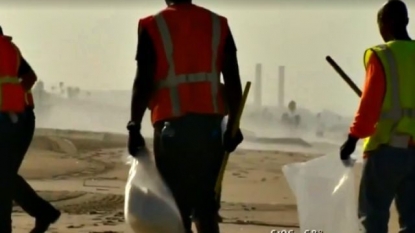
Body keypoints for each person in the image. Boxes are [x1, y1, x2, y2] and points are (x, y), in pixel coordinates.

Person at [127, 0, 244, 232]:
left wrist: (134, 126)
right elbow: (232, 78)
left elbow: (143, 81)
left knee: (176, 210)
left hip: (171, 131)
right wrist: (233, 125)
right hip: (209, 131)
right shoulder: (217, 24)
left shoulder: (153, 25)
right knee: (206, 210)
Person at [339, 1, 415, 232]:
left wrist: (352, 139)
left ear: (386, 23)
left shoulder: (382, 56)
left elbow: (369, 105)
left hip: (385, 151)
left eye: (380, 23)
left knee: (372, 218)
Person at [0, 26, 60, 233]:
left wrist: (11, 102)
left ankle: (41, 214)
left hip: (12, 121)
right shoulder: (8, 48)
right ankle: (43, 213)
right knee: (5, 176)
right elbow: (30, 78)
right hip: (20, 118)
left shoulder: (6, 49)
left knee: (3, 177)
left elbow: (28, 79)